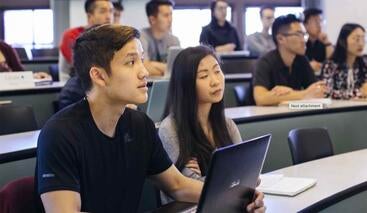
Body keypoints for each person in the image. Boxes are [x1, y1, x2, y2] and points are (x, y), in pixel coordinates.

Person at [36, 24, 264, 213]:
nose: (144, 71)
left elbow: (177, 185)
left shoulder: (139, 125)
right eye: (131, 62)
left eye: (142, 60)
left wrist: (238, 196)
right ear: (98, 75)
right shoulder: (60, 134)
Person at [158, 46, 265, 211]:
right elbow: (184, 188)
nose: (215, 81)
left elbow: (249, 177)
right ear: (186, 84)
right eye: (204, 76)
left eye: (217, 71)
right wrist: (238, 187)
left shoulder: (227, 125)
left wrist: (246, 193)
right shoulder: (170, 129)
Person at [253, 14, 326, 106]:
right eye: (299, 35)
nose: (304, 40)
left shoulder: (301, 60)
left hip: (290, 114)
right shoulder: (265, 62)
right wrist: (303, 94)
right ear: (280, 39)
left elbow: (317, 89)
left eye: (304, 35)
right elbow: (261, 98)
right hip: (263, 117)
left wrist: (291, 93)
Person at [58, 0, 113, 82]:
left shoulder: (114, 36)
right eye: (102, 11)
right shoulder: (72, 35)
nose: (109, 16)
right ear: (89, 16)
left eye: (111, 11)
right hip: (77, 85)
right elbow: (83, 67)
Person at [322, 23, 367, 99]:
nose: (361, 43)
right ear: (343, 41)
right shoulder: (331, 65)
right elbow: (326, 92)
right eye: (357, 39)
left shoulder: (364, 62)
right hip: (338, 109)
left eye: (363, 39)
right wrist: (359, 93)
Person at [140, 0, 180, 76]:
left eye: (171, 14)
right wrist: (167, 71)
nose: (170, 19)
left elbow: (178, 69)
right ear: (152, 20)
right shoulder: (141, 37)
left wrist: (151, 64)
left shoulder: (174, 40)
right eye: (166, 15)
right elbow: (142, 67)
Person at [303, 8, 334, 72]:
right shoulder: (302, 44)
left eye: (320, 21)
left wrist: (327, 42)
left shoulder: (326, 44)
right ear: (306, 25)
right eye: (315, 22)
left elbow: (333, 64)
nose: (319, 25)